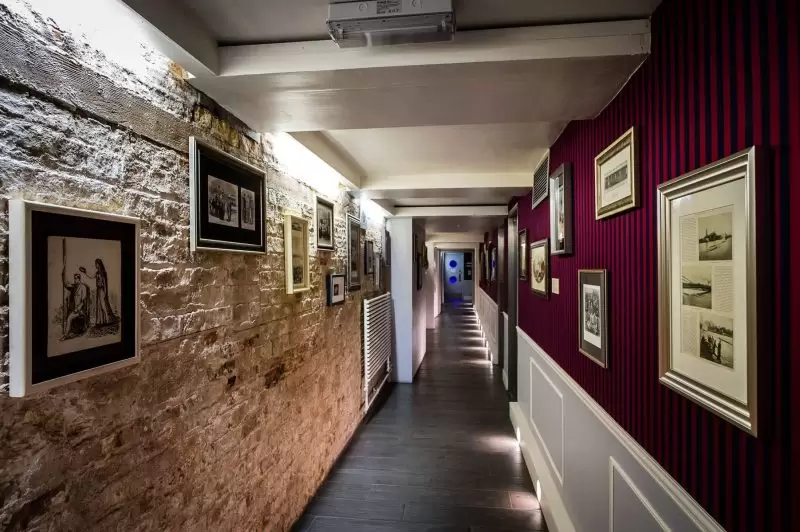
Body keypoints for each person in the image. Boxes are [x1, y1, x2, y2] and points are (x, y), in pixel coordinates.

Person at [80, 258, 117, 327]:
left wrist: (105, 293)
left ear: (99, 264)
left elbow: (105, 284)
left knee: (103, 305)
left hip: (102, 290)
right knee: (99, 305)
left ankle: (107, 320)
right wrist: (85, 272)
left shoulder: (103, 273)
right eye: (95, 264)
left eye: (96, 264)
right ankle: (101, 321)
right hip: (98, 290)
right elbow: (91, 276)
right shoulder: (97, 273)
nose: (95, 265)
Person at [62, 270, 90, 338]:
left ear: (79, 279)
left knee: (69, 318)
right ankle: (69, 332)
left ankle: (66, 335)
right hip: (75, 309)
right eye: (74, 279)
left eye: (75, 279)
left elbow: (83, 301)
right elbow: (66, 284)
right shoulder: (74, 286)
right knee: (68, 316)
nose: (74, 280)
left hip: (80, 310)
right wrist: (63, 276)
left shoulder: (83, 287)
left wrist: (77, 309)